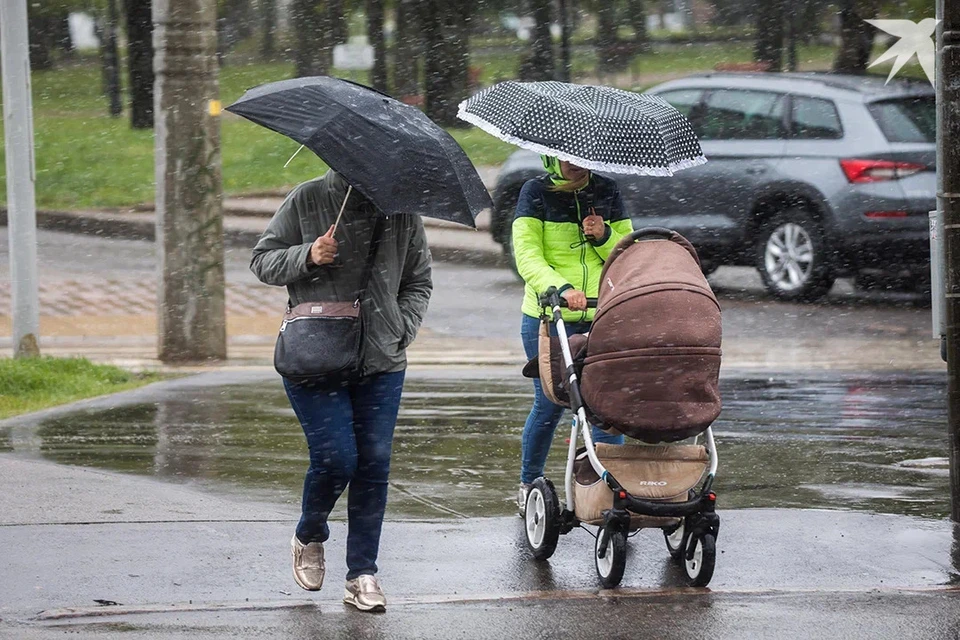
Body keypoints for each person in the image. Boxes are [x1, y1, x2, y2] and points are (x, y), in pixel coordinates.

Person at [250, 170, 432, 612]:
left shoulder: (402, 212)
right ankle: (310, 532)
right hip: (316, 355)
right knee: (336, 458)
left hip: (381, 360)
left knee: (373, 463)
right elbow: (262, 261)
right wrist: (308, 255)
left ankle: (362, 573)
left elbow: (418, 281)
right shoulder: (309, 199)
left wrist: (400, 328)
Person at [512, 155, 635, 515]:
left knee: (605, 406)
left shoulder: (607, 190)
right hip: (549, 316)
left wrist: (604, 235)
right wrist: (561, 288)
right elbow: (527, 254)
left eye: (581, 156)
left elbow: (628, 254)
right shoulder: (535, 192)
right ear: (551, 155)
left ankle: (609, 487)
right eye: (565, 156)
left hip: (601, 313)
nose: (574, 162)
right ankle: (528, 482)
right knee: (549, 404)